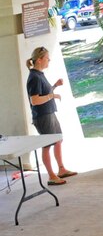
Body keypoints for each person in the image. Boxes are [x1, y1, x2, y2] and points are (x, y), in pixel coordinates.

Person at [25, 47, 76, 186]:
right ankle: (51, 176)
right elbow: (35, 100)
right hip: (42, 116)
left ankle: (61, 169)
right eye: (47, 58)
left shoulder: (39, 74)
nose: (49, 60)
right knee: (47, 145)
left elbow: (44, 94)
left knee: (58, 140)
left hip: (49, 113)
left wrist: (54, 87)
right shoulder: (34, 77)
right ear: (40, 59)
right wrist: (52, 95)